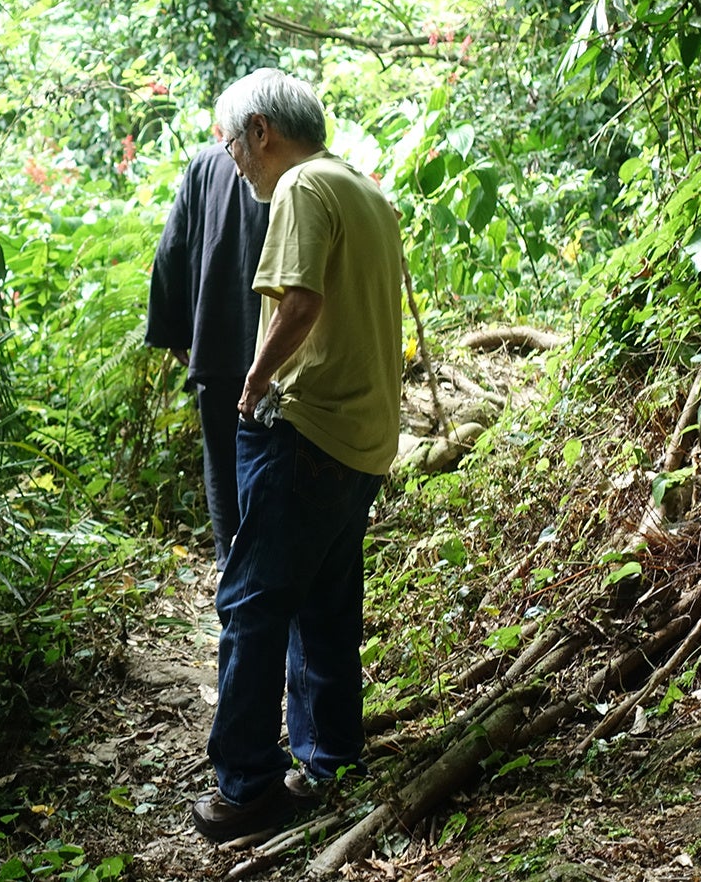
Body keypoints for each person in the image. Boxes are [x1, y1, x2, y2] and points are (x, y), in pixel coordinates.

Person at [190, 69, 403, 842]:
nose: (230, 159)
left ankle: (244, 788)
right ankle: (329, 755)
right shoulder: (362, 189)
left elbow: (301, 302)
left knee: (250, 603)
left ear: (260, 131)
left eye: (229, 142)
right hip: (363, 437)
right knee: (324, 601)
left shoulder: (302, 189)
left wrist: (251, 384)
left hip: (306, 429)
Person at [145, 143, 269, 569]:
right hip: (275, 343)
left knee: (222, 459)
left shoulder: (204, 164)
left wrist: (175, 330)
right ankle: (260, 571)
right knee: (271, 460)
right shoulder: (291, 164)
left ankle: (228, 564)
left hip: (215, 341)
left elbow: (171, 249)